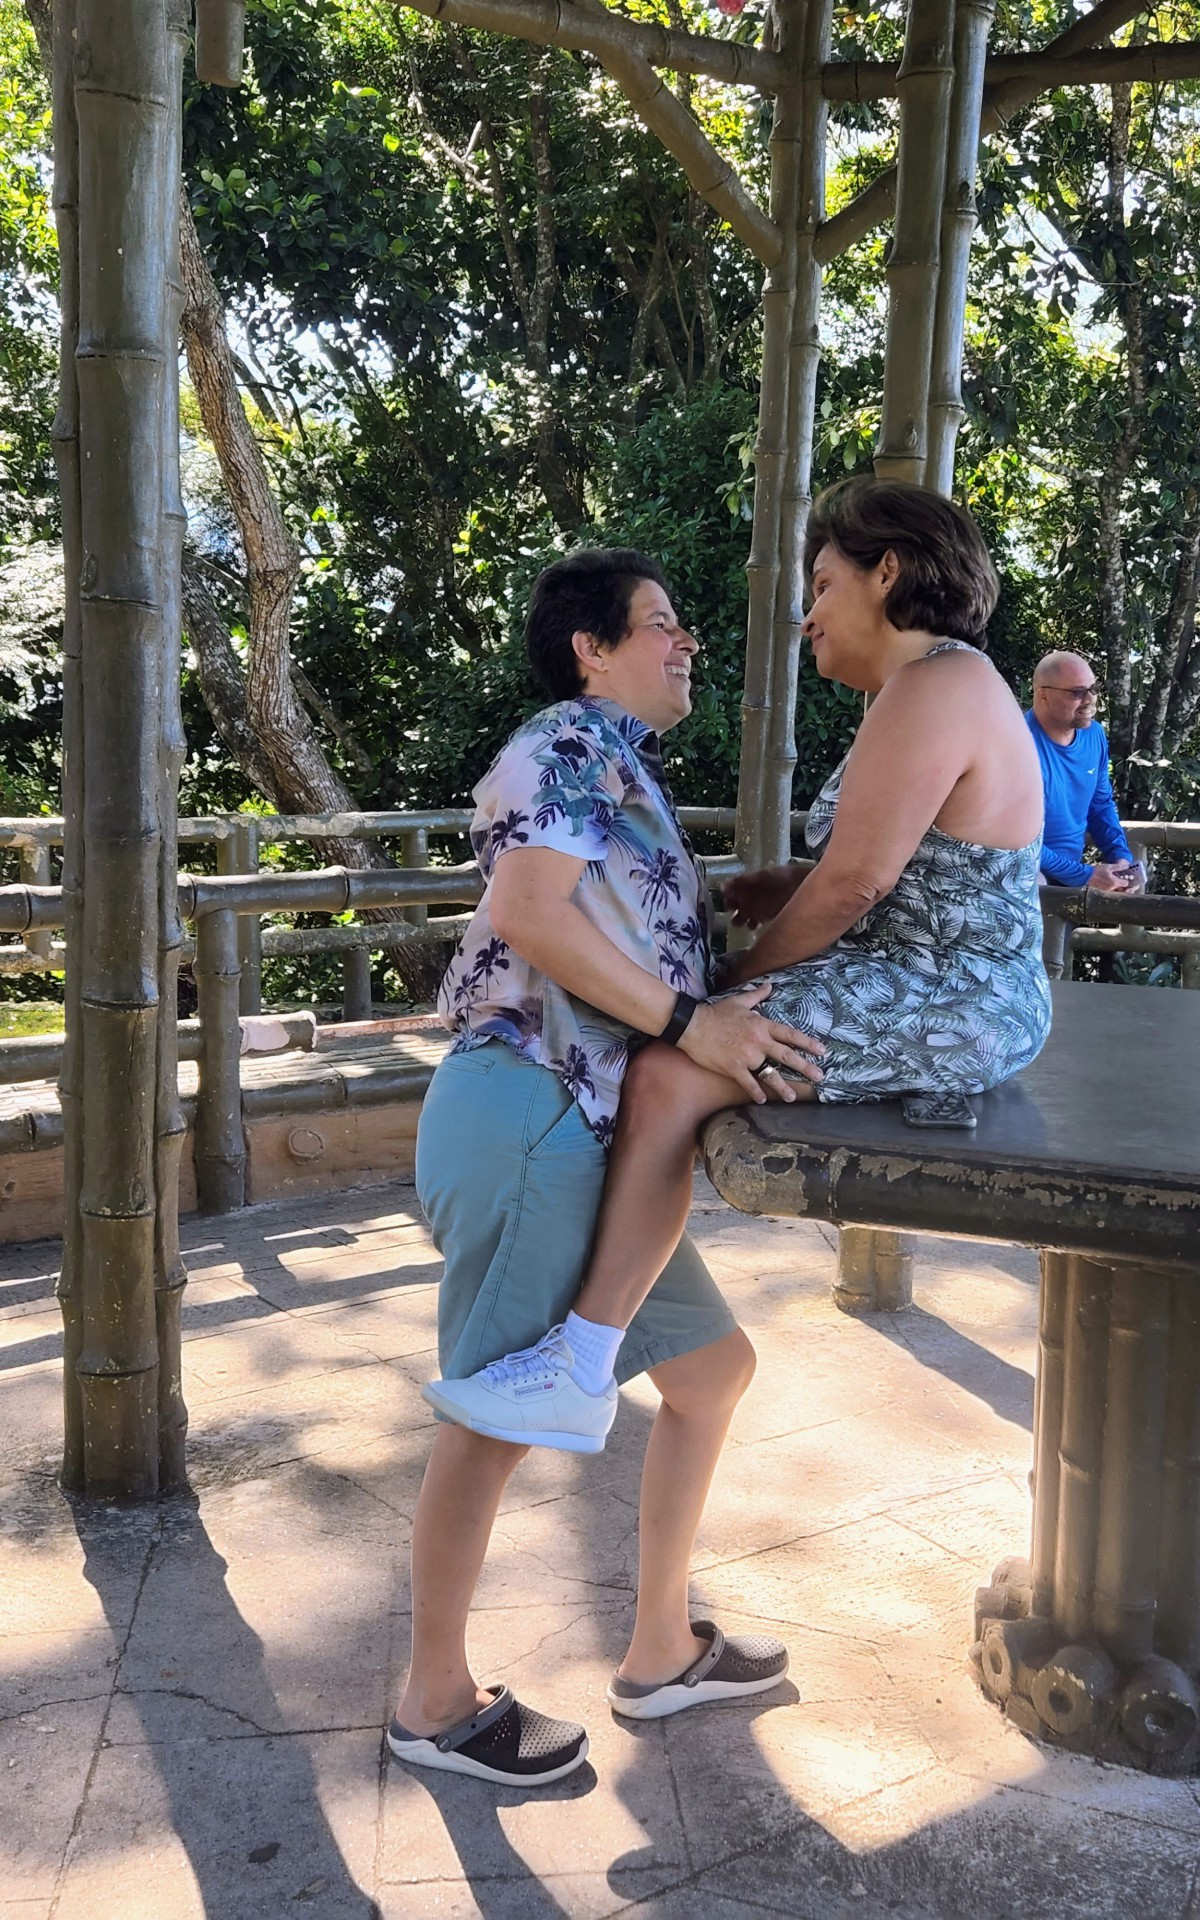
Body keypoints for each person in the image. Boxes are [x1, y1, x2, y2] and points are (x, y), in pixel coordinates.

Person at [428, 478, 1053, 1453]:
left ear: (888, 572)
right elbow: (912, 866)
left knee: (677, 1068)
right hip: (927, 975)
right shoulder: (931, 687)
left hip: (961, 993)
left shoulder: (939, 682)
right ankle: (587, 1349)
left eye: (824, 584)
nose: (810, 616)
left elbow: (858, 884)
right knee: (683, 1056)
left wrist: (722, 992)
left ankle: (580, 1363)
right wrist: (787, 884)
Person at [389, 548, 821, 1788]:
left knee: (711, 1374)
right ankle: (432, 1704)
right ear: (592, 649)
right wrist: (691, 1026)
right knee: (496, 1416)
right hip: (532, 1109)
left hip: (593, 1131)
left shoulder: (615, 764)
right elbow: (529, 915)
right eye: (663, 623)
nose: (688, 642)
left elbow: (617, 928)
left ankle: (661, 1649)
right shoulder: (569, 742)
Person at [1026, 650, 1145, 978]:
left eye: (1093, 688)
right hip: (1024, 874)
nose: (1090, 699)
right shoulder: (1018, 742)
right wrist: (1086, 875)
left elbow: (1100, 804)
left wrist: (1121, 858)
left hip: (1068, 875)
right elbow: (1018, 842)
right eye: (1078, 692)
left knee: (1057, 969)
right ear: (1043, 695)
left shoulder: (1094, 735)